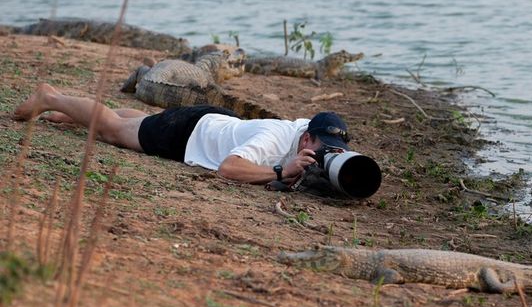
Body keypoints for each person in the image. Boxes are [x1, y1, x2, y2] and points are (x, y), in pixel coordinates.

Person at [12, 83, 351, 185]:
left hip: (217, 123)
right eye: (324, 147)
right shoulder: (277, 139)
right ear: (306, 139)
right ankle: (50, 97)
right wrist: (282, 170)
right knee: (114, 131)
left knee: (137, 123)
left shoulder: (308, 131)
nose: (326, 154)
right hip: (189, 133)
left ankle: (75, 113)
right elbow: (229, 168)